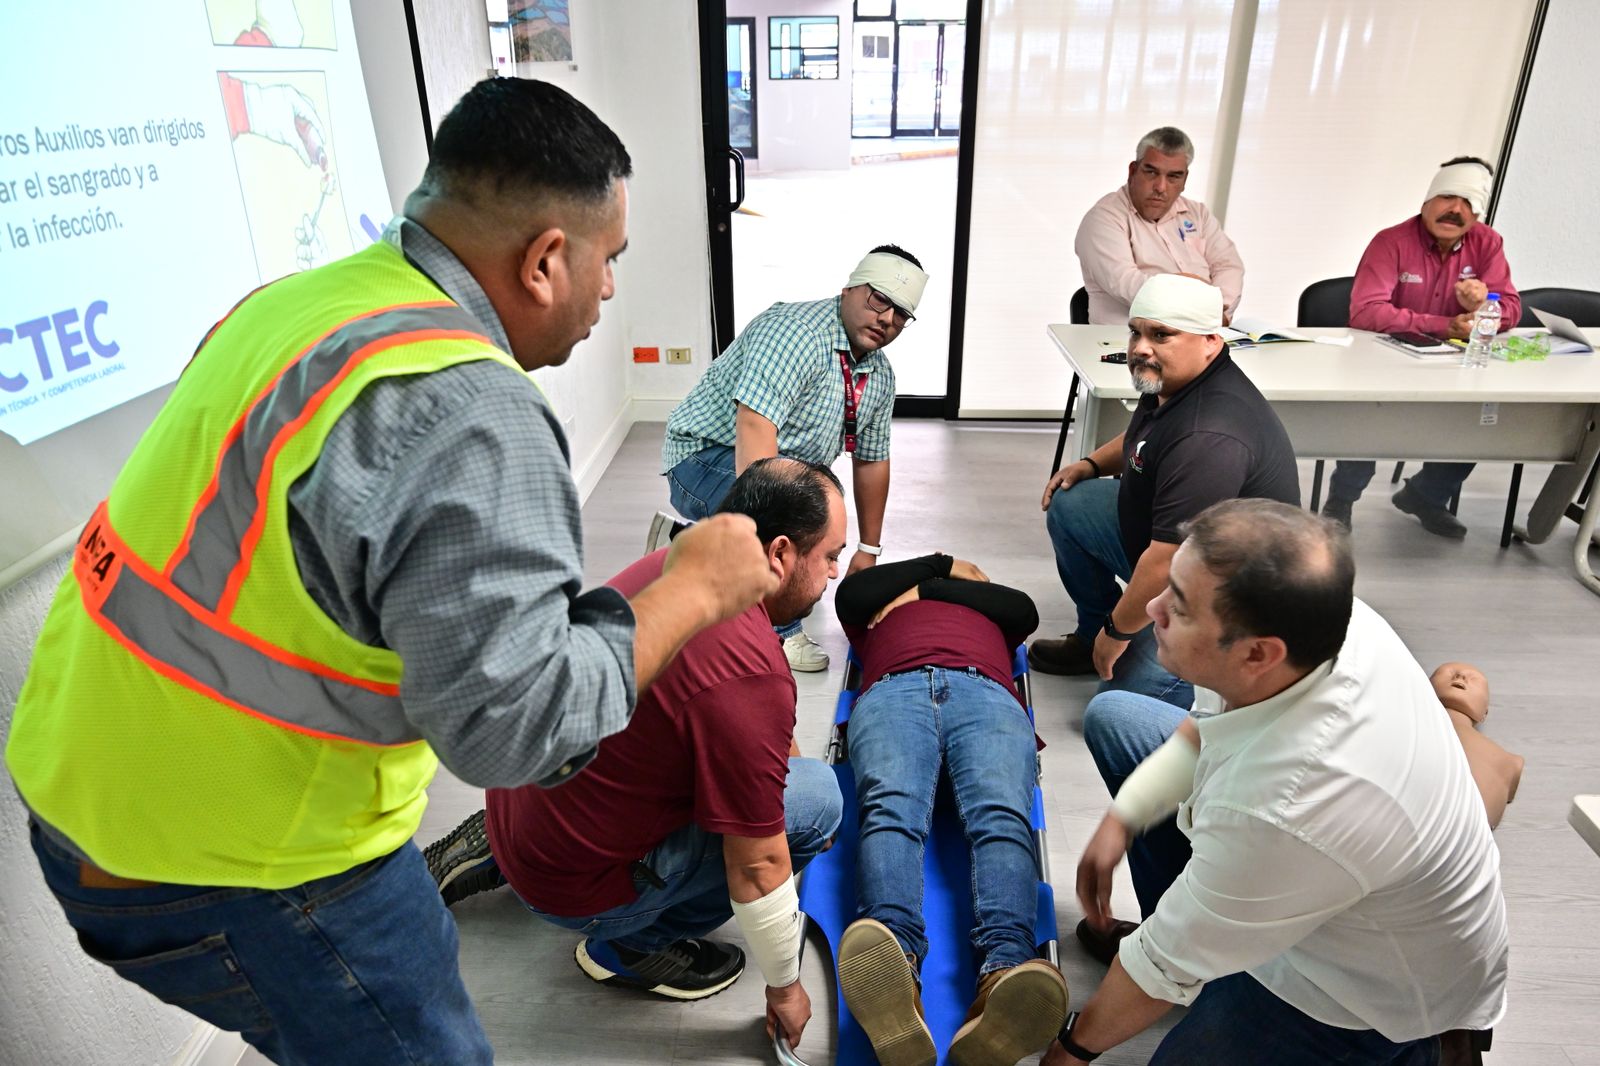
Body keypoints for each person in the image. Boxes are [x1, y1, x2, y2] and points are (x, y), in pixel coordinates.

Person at [4, 78, 779, 1066]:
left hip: (76, 791)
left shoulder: (296, 302)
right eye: (609, 260)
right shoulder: (470, 409)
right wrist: (692, 589)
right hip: (240, 862)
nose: (611, 291)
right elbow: (514, 736)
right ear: (546, 260)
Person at [1044, 499, 1507, 1066]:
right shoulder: (1319, 622)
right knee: (1120, 720)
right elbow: (1206, 727)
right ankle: (1211, 931)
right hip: (1302, 866)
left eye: (1180, 608)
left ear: (1259, 654)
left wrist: (1068, 1051)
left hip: (1358, 990)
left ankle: (1423, 1052)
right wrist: (1125, 816)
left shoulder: (1294, 803)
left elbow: (1156, 967)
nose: (1153, 608)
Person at [454, 458, 846, 1049]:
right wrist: (785, 988)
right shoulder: (749, 672)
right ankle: (626, 947)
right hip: (573, 883)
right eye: (830, 556)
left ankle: (502, 846)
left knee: (737, 764)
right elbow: (758, 865)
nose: (836, 573)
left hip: (528, 796)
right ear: (781, 554)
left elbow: (747, 725)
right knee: (817, 801)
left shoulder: (679, 564)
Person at [831, 553, 1068, 1066]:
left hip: (984, 691)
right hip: (895, 688)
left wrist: (921, 591)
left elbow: (1022, 609)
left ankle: (1003, 975)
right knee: (891, 813)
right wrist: (942, 565)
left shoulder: (983, 612)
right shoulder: (871, 605)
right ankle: (893, 966)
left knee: (1002, 820)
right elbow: (849, 595)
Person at [1030, 273, 1299, 707]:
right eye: (1136, 331)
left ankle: (1186, 665)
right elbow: (1144, 436)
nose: (1140, 347)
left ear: (1211, 340)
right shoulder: (1174, 382)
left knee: (1116, 706)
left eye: (1161, 335)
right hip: (1180, 562)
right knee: (1072, 503)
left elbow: (1165, 558)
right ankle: (1092, 633)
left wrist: (1116, 634)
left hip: (1226, 604)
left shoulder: (1209, 434)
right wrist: (1091, 463)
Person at [660, 244, 929, 672]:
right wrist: (776, 531)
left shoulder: (879, 374)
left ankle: (680, 543)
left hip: (784, 466)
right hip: (705, 457)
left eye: (901, 314)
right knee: (793, 528)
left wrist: (869, 549)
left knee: (816, 519)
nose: (887, 319)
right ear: (849, 289)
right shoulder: (794, 333)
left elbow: (872, 461)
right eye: (879, 299)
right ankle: (778, 634)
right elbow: (754, 426)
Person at [1328, 156, 1523, 537]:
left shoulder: (1488, 244)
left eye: (1468, 202)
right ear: (1427, 201)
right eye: (1448, 197)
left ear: (1478, 212)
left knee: (1480, 420)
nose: (1455, 209)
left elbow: (1512, 307)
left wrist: (1487, 305)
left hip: (1454, 368)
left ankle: (1425, 496)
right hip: (1382, 362)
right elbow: (1366, 312)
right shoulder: (1391, 242)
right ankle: (1341, 501)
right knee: (1366, 421)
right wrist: (1445, 324)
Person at [1075, 127, 1245, 325]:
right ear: (1133, 171)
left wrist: (1220, 308)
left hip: (1199, 339)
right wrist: (1205, 311)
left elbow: (1228, 265)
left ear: (1184, 180)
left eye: (1173, 176)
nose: (1160, 187)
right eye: (1151, 172)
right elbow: (1128, 285)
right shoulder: (1103, 218)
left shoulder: (1198, 214)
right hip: (1128, 344)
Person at [1431, 662, 1524, 830]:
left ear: (1484, 713)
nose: (1460, 677)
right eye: (1446, 673)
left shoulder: (1510, 762)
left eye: (1476, 680)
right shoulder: (1510, 762)